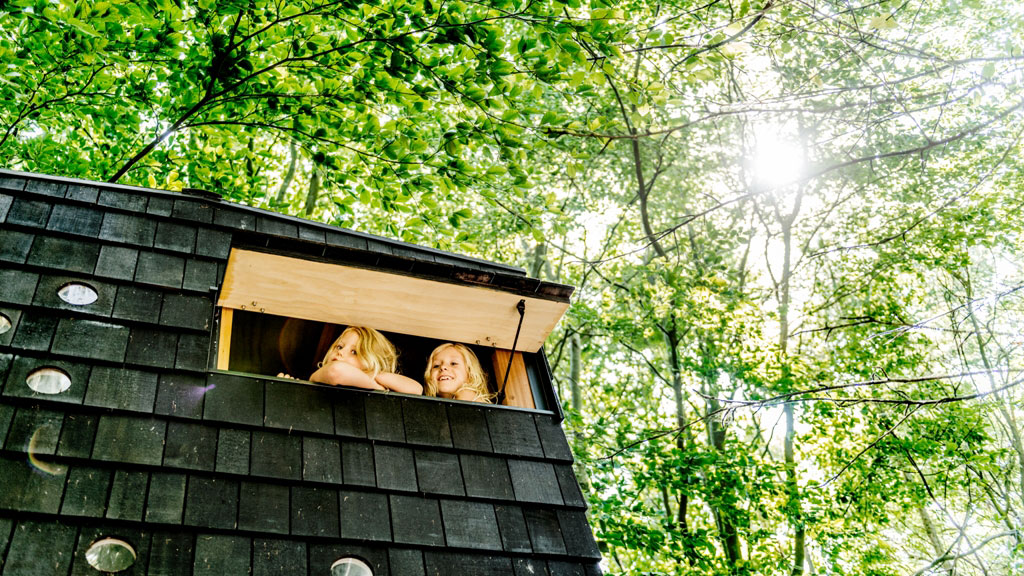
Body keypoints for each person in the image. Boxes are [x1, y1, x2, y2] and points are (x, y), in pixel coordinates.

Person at [280, 326, 422, 394]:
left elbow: (416, 389)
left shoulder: (371, 380)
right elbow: (336, 371)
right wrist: (378, 387)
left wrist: (374, 374)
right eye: (339, 347)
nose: (340, 352)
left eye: (354, 352)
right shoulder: (319, 375)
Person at [423, 343, 494, 403]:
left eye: (453, 363)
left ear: (470, 374)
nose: (443, 367)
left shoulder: (468, 396)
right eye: (436, 366)